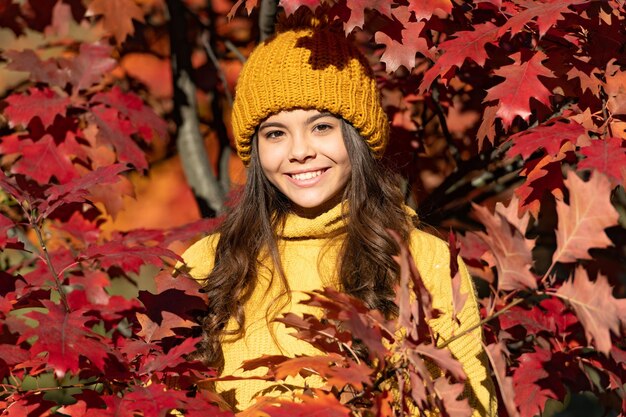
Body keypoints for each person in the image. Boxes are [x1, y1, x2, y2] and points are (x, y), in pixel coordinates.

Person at [179, 12, 497, 415]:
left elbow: (472, 401)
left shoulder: (425, 259)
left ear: (358, 136)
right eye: (275, 133)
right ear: (255, 150)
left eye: (322, 127)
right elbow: (168, 398)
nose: (299, 151)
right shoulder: (208, 264)